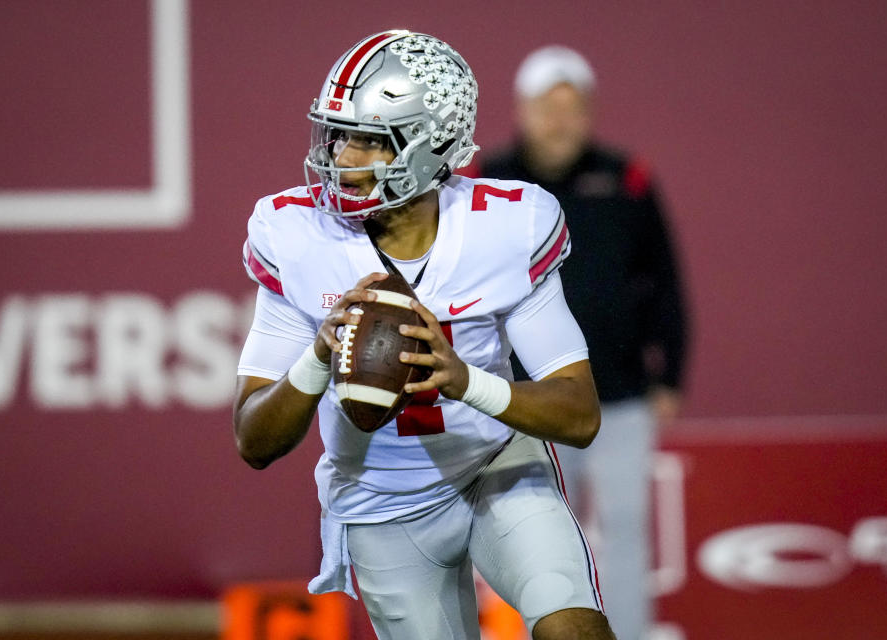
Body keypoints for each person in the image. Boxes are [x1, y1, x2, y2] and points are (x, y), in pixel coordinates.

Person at [232, 31, 616, 640]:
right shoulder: (295, 236)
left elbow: (579, 414)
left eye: (369, 140)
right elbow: (253, 438)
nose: (342, 157)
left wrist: (467, 383)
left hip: (497, 468)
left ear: (428, 145)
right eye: (338, 134)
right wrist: (317, 358)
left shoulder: (506, 227)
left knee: (574, 630)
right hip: (382, 502)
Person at [478, 46, 689, 640]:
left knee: (625, 526)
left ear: (590, 112)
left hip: (620, 394)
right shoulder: (487, 184)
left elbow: (664, 281)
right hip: (528, 399)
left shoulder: (628, 180)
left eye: (573, 108)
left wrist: (668, 376)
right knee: (530, 529)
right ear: (523, 111)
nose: (560, 121)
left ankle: (627, 632)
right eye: (548, 107)